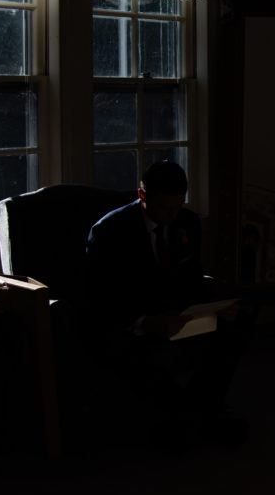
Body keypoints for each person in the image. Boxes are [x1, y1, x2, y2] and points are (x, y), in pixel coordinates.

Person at [84, 160, 247, 447]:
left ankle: (201, 405)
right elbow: (101, 297)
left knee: (236, 322)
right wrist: (147, 321)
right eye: (164, 209)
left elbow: (193, 277)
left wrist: (212, 306)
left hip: (178, 313)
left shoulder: (187, 222)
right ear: (143, 196)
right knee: (136, 350)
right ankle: (184, 414)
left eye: (178, 207)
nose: (172, 216)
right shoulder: (110, 231)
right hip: (133, 319)